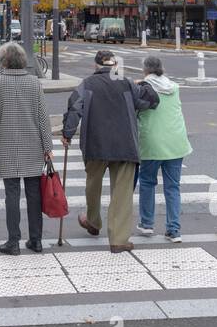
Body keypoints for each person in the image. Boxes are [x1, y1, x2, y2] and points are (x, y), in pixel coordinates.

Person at [61, 49, 159, 252]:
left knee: (93, 185)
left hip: (95, 143)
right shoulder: (127, 83)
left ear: (95, 65)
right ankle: (119, 239)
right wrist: (145, 85)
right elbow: (150, 101)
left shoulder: (87, 84)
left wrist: (67, 134)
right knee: (122, 192)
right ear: (114, 65)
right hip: (124, 144)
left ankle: (93, 221)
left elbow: (74, 108)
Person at [0, 41, 52, 254]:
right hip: (33, 144)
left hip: (7, 145)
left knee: (11, 193)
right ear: (23, 61)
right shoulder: (34, 83)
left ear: (3, 61)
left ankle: (13, 242)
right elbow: (43, 118)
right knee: (34, 193)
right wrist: (47, 146)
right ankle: (36, 240)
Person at [134, 56, 192, 242]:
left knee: (147, 182)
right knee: (173, 187)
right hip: (176, 141)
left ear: (145, 70)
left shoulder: (142, 88)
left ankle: (147, 223)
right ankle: (174, 230)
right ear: (161, 69)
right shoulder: (174, 87)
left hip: (152, 141)